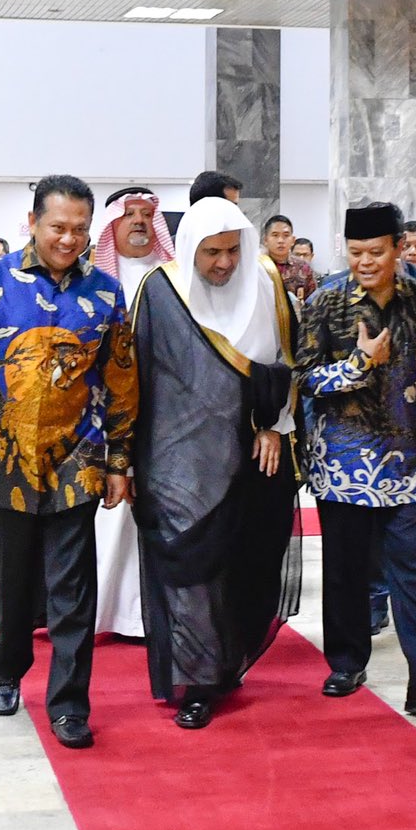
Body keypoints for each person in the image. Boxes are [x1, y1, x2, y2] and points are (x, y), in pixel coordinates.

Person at [0, 175, 138, 750]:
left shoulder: (104, 292)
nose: (69, 239)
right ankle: (6, 666)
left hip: (78, 458)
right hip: (4, 459)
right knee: (15, 578)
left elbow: (121, 380)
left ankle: (71, 703)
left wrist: (120, 458)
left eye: (79, 229)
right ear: (32, 222)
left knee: (75, 587)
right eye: (58, 227)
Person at [133, 198, 302, 728]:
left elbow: (287, 366)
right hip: (175, 461)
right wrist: (127, 460)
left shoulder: (267, 287)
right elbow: (136, 375)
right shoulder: (160, 291)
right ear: (190, 250)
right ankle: (198, 680)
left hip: (252, 457)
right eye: (211, 253)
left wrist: (275, 424)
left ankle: (225, 665)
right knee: (189, 572)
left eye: (233, 251)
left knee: (242, 568)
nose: (224, 264)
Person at [297, 203, 416, 716]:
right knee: (346, 572)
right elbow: (302, 378)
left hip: (412, 464)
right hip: (342, 465)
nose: (365, 262)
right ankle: (346, 664)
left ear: (399, 248)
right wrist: (358, 363)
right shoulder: (326, 302)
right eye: (355, 253)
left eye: (375, 252)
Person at [90, 187, 177, 640]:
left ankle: (145, 614)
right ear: (111, 226)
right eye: (131, 215)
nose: (140, 221)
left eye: (147, 214)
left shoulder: (173, 274)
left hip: (165, 411)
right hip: (107, 415)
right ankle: (105, 612)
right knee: (112, 511)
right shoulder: (97, 279)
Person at [265, 213, 318, 302]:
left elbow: (314, 302)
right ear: (266, 240)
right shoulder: (257, 266)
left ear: (293, 240)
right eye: (275, 235)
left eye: (286, 235)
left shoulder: (303, 267)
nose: (280, 240)